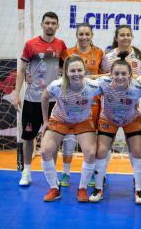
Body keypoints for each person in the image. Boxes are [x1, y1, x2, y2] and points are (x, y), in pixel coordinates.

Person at [14, 11, 66, 186]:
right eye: (47, 23)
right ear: (42, 24)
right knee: (28, 137)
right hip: (32, 100)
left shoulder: (61, 45)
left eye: (53, 23)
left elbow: (66, 69)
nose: (50, 26)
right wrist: (16, 93)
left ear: (57, 26)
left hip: (54, 101)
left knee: (54, 139)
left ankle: (53, 174)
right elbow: (21, 70)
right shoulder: (31, 45)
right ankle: (26, 172)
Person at [40, 56, 102, 202]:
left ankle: (82, 188)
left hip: (82, 120)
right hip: (59, 119)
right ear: (66, 72)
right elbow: (44, 97)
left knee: (90, 151)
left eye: (79, 70)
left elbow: (110, 86)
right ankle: (54, 188)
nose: (76, 73)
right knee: (45, 150)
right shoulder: (57, 85)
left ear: (85, 71)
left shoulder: (93, 86)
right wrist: (45, 121)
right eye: (72, 70)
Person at [89, 52, 141, 204]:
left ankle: (139, 189)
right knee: (101, 150)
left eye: (124, 74)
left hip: (131, 118)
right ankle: (98, 187)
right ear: (110, 74)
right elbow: (84, 83)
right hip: (109, 118)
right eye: (116, 73)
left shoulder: (139, 86)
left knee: (138, 151)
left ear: (130, 75)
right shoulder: (103, 83)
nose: (120, 77)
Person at [59, 23, 104, 187]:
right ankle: (65, 173)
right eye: (81, 34)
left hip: (93, 103)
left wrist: (89, 79)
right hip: (71, 102)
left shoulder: (99, 52)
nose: (84, 37)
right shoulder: (67, 53)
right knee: (69, 139)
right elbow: (61, 75)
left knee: (90, 142)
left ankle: (91, 173)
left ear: (92, 35)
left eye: (87, 34)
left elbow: (104, 76)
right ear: (76, 35)